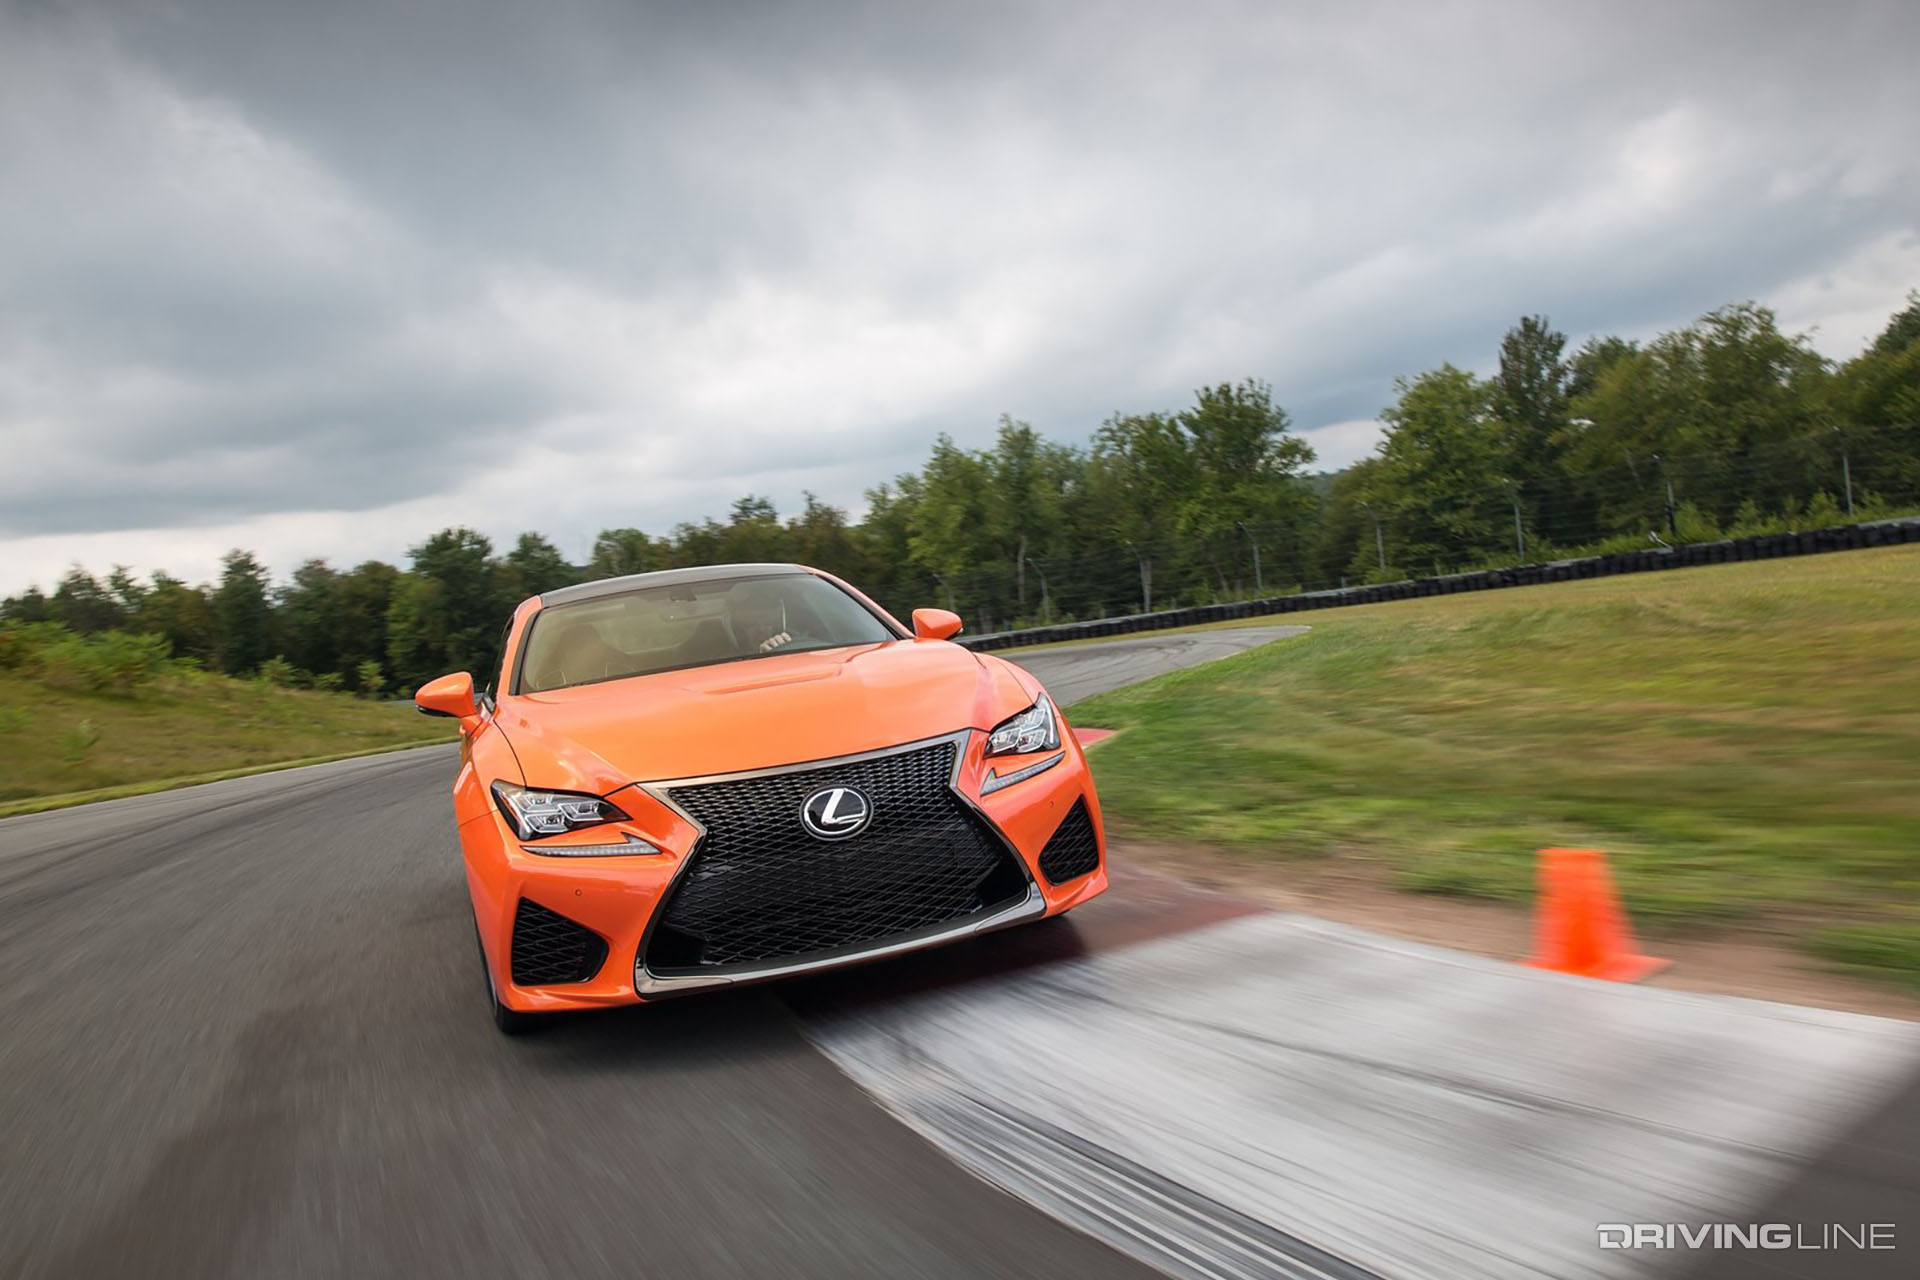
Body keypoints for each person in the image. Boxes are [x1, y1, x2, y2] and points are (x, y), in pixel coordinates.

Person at [726, 582, 820, 655]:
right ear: (735, 627)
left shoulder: (798, 643)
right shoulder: (722, 659)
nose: (761, 629)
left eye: (769, 621)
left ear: (780, 622)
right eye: (750, 622)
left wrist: (785, 651)